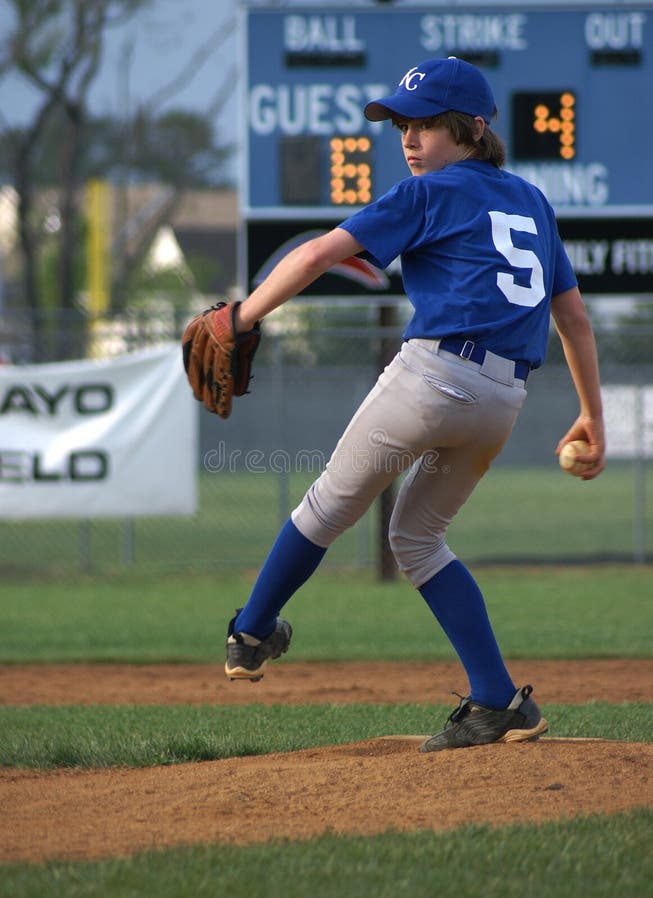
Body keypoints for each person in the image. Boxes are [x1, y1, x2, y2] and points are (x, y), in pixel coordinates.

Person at [224, 57, 605, 751]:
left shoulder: (427, 192)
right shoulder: (532, 200)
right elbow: (573, 320)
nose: (408, 137)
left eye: (427, 122)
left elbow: (315, 257)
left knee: (325, 506)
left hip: (432, 379)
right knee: (418, 539)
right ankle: (497, 701)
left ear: (471, 128)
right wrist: (591, 417)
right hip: (501, 399)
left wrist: (242, 317)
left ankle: (250, 631)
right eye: (402, 123)